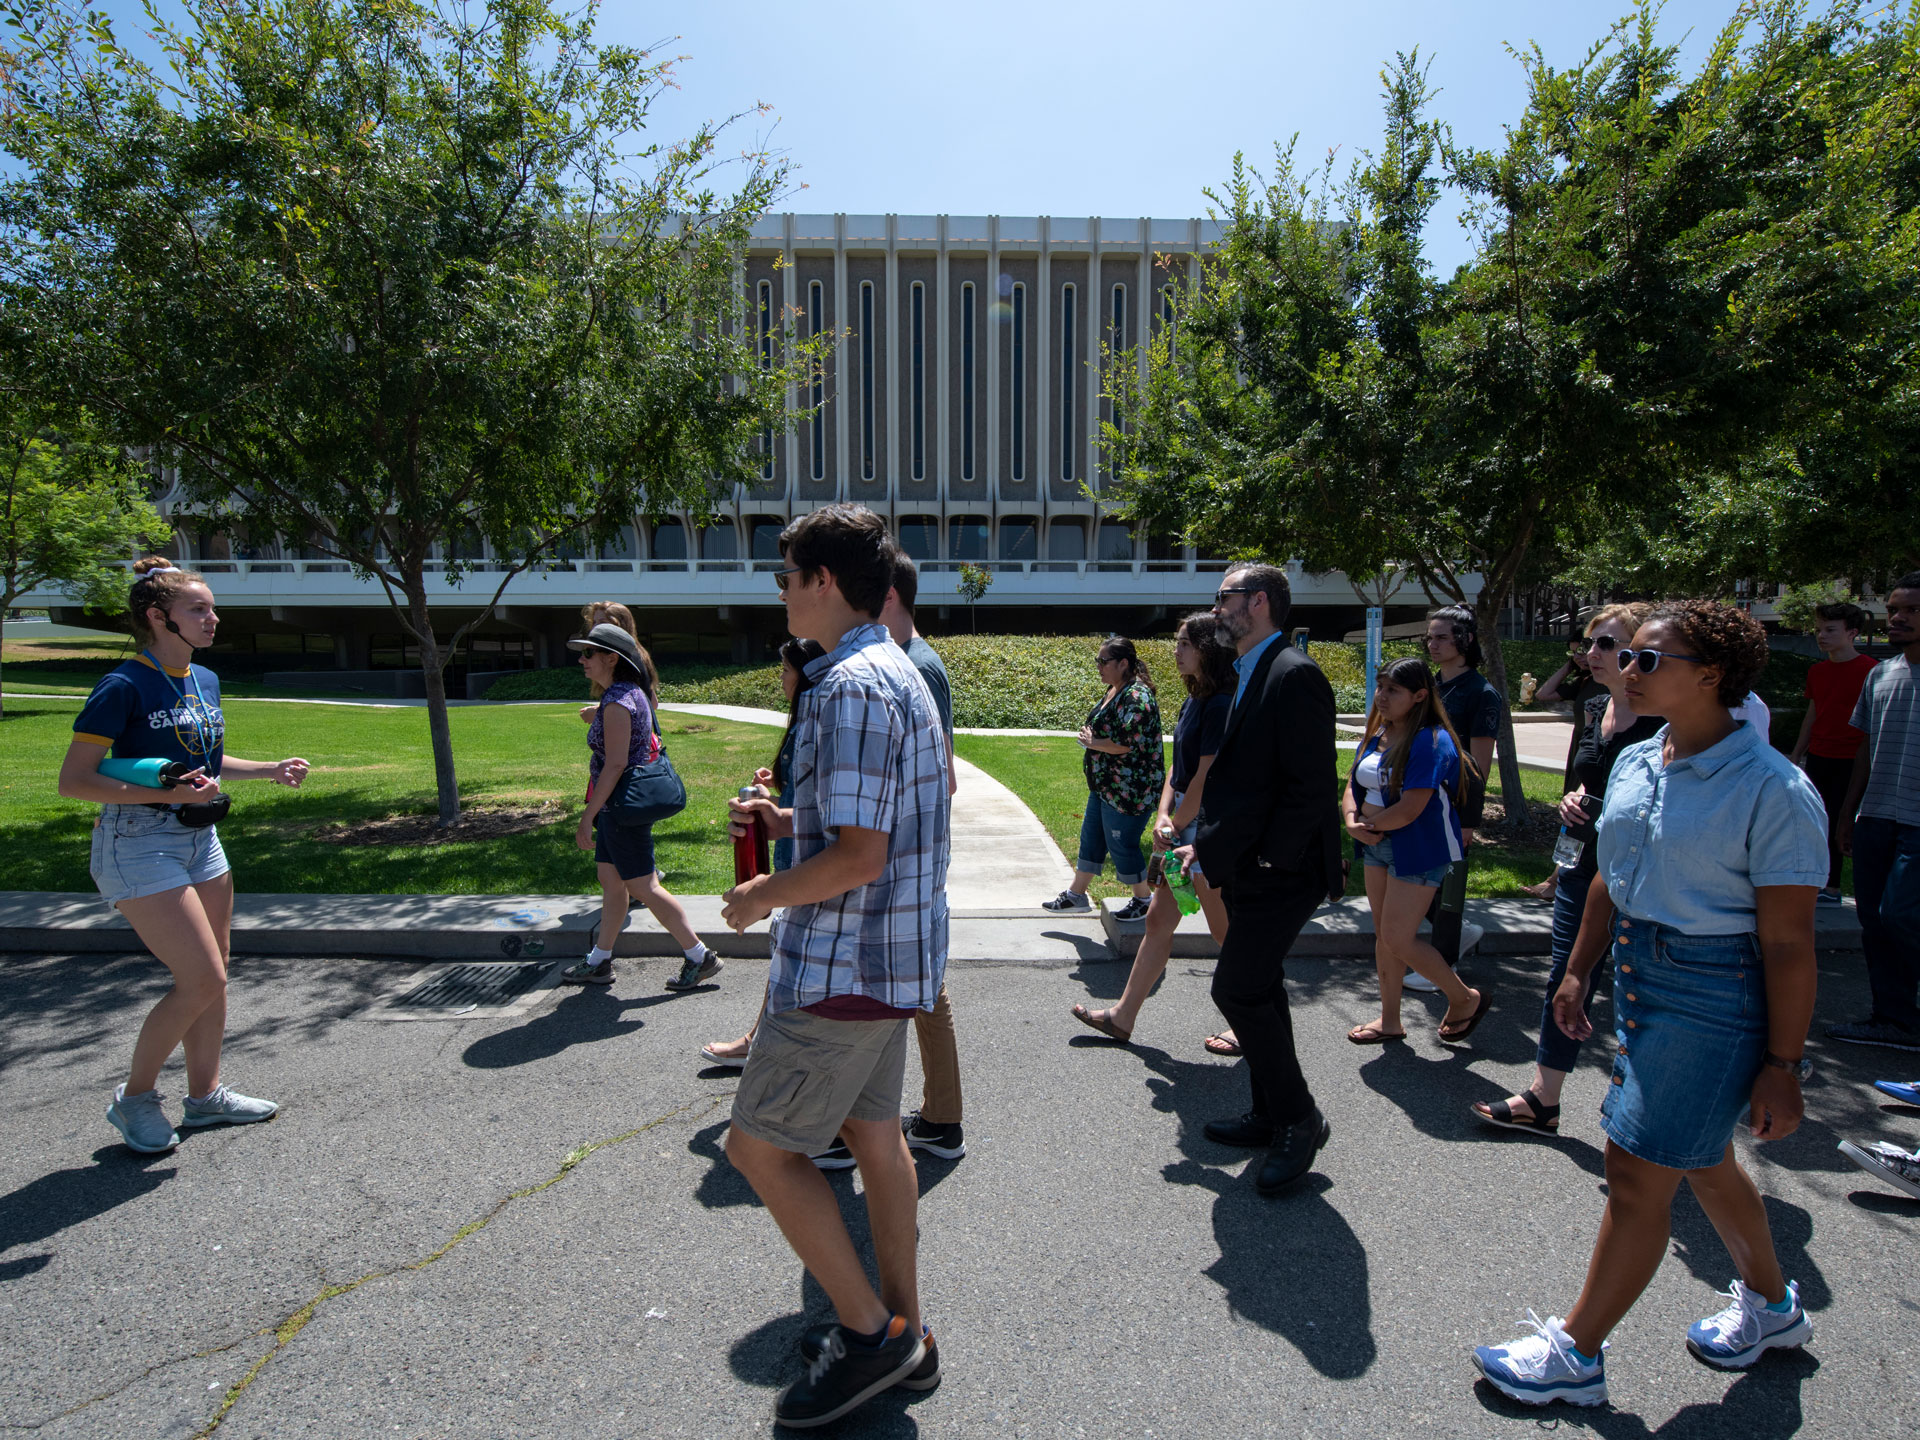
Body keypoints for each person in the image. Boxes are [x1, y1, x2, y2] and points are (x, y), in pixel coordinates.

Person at [1472, 601, 1826, 1407]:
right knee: (1700, 1158)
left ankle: (1577, 1353)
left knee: (1634, 1170)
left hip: (1717, 989)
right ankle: (1772, 1309)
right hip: (1641, 974)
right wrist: (1576, 971)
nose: (1624, 670)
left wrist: (1782, 1065)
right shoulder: (1639, 760)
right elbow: (1607, 874)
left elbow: (1788, 946)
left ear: (1711, 676)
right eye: (1624, 657)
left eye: (1645, 660)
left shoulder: (1774, 789)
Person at [719, 505, 950, 1426]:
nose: (780, 594)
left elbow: (860, 857)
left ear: (821, 580)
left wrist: (757, 894)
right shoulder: (891, 669)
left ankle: (871, 1337)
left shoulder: (849, 685)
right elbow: (873, 826)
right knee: (875, 1140)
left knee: (760, 1149)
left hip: (843, 967)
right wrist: (789, 825)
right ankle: (908, 1333)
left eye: (785, 578)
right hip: (891, 962)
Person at [59, 558, 311, 1155]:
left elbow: (206, 761)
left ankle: (205, 1098)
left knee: (214, 973)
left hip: (200, 839)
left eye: (211, 607)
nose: (213, 618)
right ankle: (135, 1099)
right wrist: (163, 793)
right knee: (201, 977)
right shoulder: (123, 685)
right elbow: (75, 779)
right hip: (136, 841)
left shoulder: (204, 679)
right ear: (157, 617)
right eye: (198, 609)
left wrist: (267, 770)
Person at [1173, 563, 1342, 1196]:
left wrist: (1270, 858)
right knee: (1261, 987)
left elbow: (1308, 788)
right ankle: (1270, 1112)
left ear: (1261, 603)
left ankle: (1300, 1116)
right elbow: (1243, 785)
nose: (1217, 608)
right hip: (1249, 862)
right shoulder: (1247, 669)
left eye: (1226, 598)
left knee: (1237, 990)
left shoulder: (1293, 673)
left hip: (1284, 869)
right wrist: (1209, 849)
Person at [1473, 604, 1659, 1133]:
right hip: (1581, 867)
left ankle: (1649, 1109)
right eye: (1590, 642)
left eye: (1608, 644)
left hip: (1640, 876)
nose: (1592, 653)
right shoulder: (1593, 704)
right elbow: (1585, 778)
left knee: (1639, 988)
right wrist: (1573, 801)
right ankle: (1543, 1097)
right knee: (1566, 977)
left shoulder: (1666, 722)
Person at [1072, 612, 1235, 1043]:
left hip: (1202, 834)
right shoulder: (1195, 698)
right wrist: (1165, 816)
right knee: (1159, 923)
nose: (1175, 651)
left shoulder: (1220, 704)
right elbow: (1176, 772)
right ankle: (1122, 1017)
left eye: (1184, 644)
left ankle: (1249, 1021)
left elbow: (1207, 777)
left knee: (1227, 932)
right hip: (1179, 827)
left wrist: (1177, 824)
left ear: (1207, 649)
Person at [1340, 656, 1492, 1046]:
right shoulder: (1379, 734)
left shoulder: (1431, 740)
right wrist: (1352, 819)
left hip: (1420, 848)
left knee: (1397, 937)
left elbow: (1412, 808)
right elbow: (1352, 785)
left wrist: (1366, 827)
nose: (1381, 697)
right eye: (1380, 686)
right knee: (1385, 934)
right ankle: (1390, 1020)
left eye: (1393, 690)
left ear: (1420, 695)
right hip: (1377, 844)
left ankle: (1465, 998)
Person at [560, 623, 716, 991]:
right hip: (619, 807)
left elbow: (615, 765)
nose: (582, 660)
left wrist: (588, 815)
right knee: (612, 882)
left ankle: (699, 955)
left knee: (644, 886)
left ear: (611, 658)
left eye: (589, 653)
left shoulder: (617, 702)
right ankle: (600, 960)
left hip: (620, 808)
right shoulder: (630, 693)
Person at [697, 637, 827, 1071]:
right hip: (797, 851)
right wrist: (776, 787)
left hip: (807, 860)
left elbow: (831, 807)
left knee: (791, 952)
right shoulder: (806, 718)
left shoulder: (823, 715)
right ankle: (763, 1041)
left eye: (786, 670)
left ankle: (763, 1044)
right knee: (788, 950)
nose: (782, 679)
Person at [877, 554, 967, 1161]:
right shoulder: (913, 661)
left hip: (909, 859)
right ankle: (940, 1118)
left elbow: (943, 777)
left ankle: (938, 1120)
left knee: (922, 988)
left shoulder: (918, 668)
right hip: (911, 857)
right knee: (923, 988)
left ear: (885, 596)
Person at [1826, 572, 1920, 1053]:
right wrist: (1848, 814)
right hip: (1876, 817)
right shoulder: (1881, 674)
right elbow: (1865, 748)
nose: (1898, 618)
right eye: (1894, 609)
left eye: (1910, 610)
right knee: (1876, 922)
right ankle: (1894, 1020)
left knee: (1902, 915)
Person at [1040, 637, 1163, 919]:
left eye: (1103, 661)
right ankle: (1076, 895)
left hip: (1128, 790)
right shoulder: (1116, 689)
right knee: (1092, 838)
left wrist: (1093, 742)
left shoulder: (1137, 696)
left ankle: (1144, 900)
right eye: (1098, 661)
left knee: (1122, 844)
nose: (1098, 667)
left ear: (1123, 663)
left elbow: (1127, 743)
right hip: (1106, 786)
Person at [1413, 605, 1501, 988]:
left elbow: (1478, 766)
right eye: (1429, 637)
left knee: (1446, 886)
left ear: (1464, 641)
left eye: (1441, 637)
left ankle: (1443, 963)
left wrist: (1467, 821)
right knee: (1420, 878)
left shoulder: (1481, 694)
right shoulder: (1431, 685)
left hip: (1452, 805)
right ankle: (1458, 936)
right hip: (1421, 797)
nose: (1432, 644)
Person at [1788, 601, 1877, 905]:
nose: (1821, 636)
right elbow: (1813, 714)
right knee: (1816, 818)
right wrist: (1797, 753)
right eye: (1819, 630)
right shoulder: (1818, 671)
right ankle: (1820, 882)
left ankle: (1834, 887)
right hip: (1820, 755)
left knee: (1842, 818)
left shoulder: (1871, 670)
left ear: (1852, 632)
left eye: (1830, 630)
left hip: (1852, 757)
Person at [1522, 630, 1609, 902]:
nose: (1587, 655)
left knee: (1583, 819)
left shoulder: (1612, 687)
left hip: (1597, 759)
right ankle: (1558, 877)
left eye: (1598, 647)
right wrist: (1571, 665)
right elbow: (1544, 694)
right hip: (1580, 755)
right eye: (1581, 650)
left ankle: (1557, 880)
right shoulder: (1585, 682)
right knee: (1573, 818)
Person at [575, 601, 659, 730]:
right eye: (595, 622)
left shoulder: (627, 659)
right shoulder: (635, 653)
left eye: (602, 622)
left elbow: (639, 703)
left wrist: (598, 713)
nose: (595, 627)